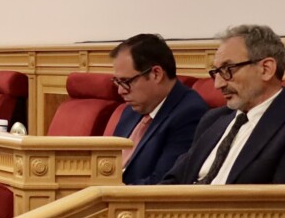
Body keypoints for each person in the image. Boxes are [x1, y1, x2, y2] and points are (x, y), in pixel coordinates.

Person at [164, 24, 285, 185]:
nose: (218, 84)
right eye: (216, 72)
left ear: (266, 69)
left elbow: (276, 198)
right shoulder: (213, 119)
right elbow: (175, 179)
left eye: (228, 69)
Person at [108, 33, 207, 185]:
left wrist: (107, 191)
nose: (120, 91)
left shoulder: (189, 114)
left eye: (126, 81)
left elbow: (163, 183)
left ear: (156, 74)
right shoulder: (132, 110)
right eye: (117, 82)